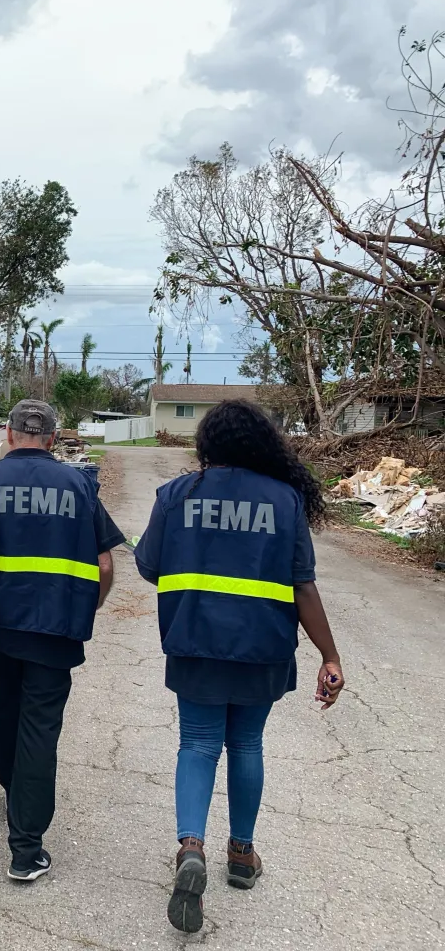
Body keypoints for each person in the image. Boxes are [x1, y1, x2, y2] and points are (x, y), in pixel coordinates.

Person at [132, 400, 344, 934]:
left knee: (198, 744)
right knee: (247, 745)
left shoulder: (176, 495)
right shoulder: (285, 500)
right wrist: (329, 654)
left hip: (194, 640)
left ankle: (190, 847)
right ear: (260, 444)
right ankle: (243, 854)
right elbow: (303, 585)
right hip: (263, 647)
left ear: (207, 445)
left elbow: (150, 566)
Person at [0, 399, 125, 882]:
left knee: (4, 705)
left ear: (8, 433)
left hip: (2, 622)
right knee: (40, 726)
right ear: (53, 438)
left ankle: (12, 789)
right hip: (58, 625)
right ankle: (26, 849)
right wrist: (93, 604)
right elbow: (106, 564)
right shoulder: (80, 485)